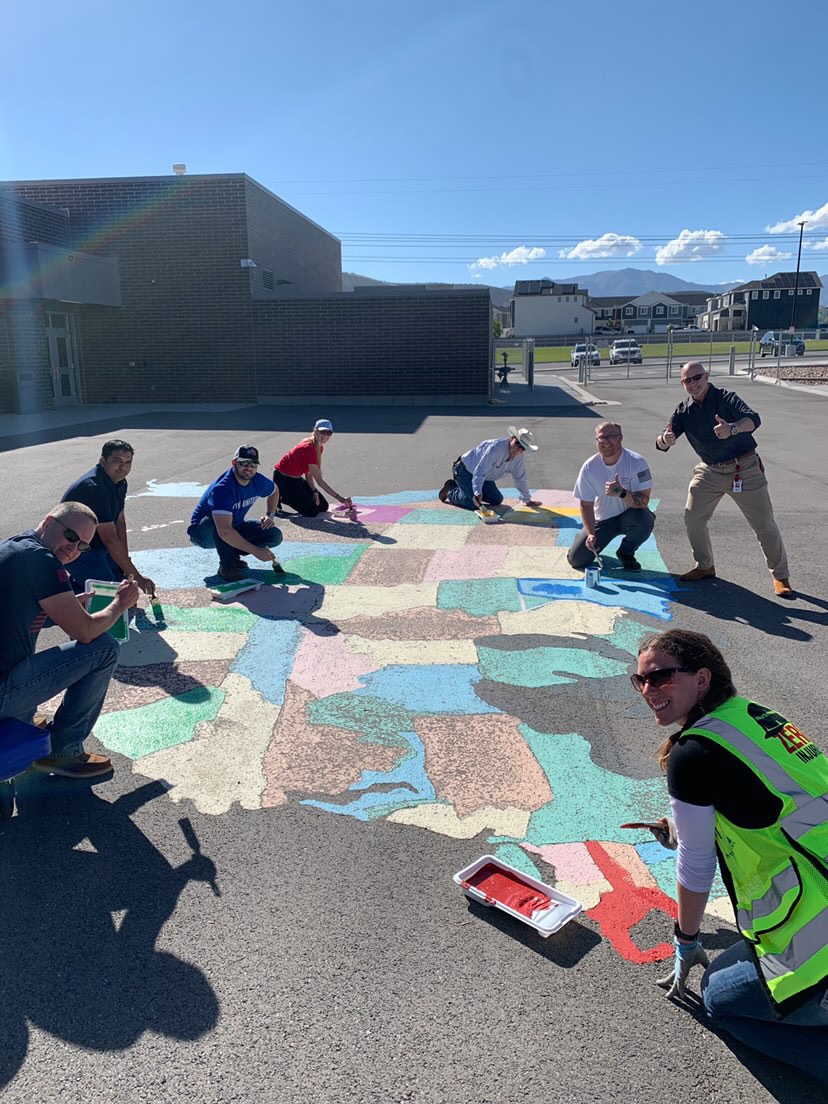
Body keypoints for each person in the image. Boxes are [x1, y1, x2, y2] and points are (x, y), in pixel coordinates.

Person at [630, 629, 828, 1083]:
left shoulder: (692, 753)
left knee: (720, 998)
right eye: (639, 681)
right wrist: (681, 829)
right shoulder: (756, 715)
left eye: (659, 677)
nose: (647, 690)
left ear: (701, 678)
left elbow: (696, 866)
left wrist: (685, 939)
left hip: (819, 939)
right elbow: (774, 802)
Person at [0, 501, 140, 779]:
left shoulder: (16, 548)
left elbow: (16, 611)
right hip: (3, 690)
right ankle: (63, 750)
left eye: (82, 546)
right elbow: (85, 632)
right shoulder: (42, 559)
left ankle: (23, 717)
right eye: (71, 537)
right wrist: (118, 605)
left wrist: (64, 605)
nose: (73, 549)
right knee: (105, 649)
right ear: (50, 522)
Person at [656, 362, 792, 597]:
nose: (693, 383)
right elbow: (662, 441)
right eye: (687, 380)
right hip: (710, 471)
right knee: (693, 517)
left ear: (706, 377)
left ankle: (781, 576)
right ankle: (705, 566)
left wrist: (732, 429)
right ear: (683, 384)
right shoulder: (683, 410)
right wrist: (665, 440)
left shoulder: (726, 398)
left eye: (697, 377)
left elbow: (753, 420)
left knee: (764, 524)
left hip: (744, 469)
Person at [61, 439, 155, 596]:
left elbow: (120, 522)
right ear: (102, 461)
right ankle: (62, 591)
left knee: (121, 581)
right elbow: (110, 539)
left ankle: (79, 583)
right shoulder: (94, 487)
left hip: (96, 545)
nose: (123, 467)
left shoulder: (120, 482)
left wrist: (126, 566)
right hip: (74, 548)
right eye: (117, 461)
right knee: (109, 595)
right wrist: (138, 577)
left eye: (128, 462)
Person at [568, 421, 654, 572]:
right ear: (596, 441)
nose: (606, 441)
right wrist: (590, 534)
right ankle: (579, 543)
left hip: (630, 516)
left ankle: (626, 552)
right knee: (577, 560)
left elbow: (644, 502)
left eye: (611, 436)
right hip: (603, 519)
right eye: (602, 438)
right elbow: (586, 505)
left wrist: (621, 493)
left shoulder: (638, 462)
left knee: (644, 520)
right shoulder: (590, 466)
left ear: (620, 438)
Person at [188, 446, 283, 581]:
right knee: (219, 524)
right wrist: (256, 551)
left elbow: (274, 491)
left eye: (253, 464)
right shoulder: (223, 489)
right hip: (203, 534)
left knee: (274, 535)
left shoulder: (258, 481)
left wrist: (270, 515)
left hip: (233, 525)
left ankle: (232, 554)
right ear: (234, 463)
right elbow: (224, 531)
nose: (248, 467)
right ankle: (226, 567)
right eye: (243, 463)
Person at [438, 425, 542, 511]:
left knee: (497, 499)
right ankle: (450, 489)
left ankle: (467, 490)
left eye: (523, 448)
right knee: (473, 504)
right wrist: (477, 493)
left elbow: (520, 478)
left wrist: (527, 500)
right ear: (512, 438)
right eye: (517, 444)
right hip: (464, 470)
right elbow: (480, 471)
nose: (518, 449)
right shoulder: (495, 449)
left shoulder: (518, 458)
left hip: (485, 477)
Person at [267, 419, 352, 518]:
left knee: (323, 506)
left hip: (296, 479)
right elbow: (320, 481)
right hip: (284, 480)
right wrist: (340, 498)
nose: (325, 436)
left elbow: (308, 473)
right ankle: (280, 496)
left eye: (329, 433)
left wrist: (314, 491)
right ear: (315, 431)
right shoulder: (309, 448)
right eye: (322, 432)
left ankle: (290, 495)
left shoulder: (318, 447)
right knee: (312, 512)